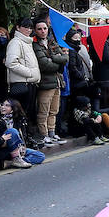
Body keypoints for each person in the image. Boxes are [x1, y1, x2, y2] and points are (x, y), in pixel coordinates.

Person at [31, 18, 69, 146]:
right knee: (43, 110)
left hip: (57, 81)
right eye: (40, 29)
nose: (42, 31)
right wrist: (58, 62)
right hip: (45, 82)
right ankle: (44, 134)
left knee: (54, 110)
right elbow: (44, 64)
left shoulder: (52, 41)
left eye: (45, 28)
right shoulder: (35, 44)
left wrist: (53, 58)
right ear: (35, 31)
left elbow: (65, 58)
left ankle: (52, 133)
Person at [3, 18, 39, 127]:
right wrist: (29, 73)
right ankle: (21, 137)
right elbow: (11, 63)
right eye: (25, 26)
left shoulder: (27, 42)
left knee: (26, 113)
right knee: (19, 113)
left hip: (29, 83)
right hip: (21, 84)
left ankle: (25, 136)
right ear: (18, 27)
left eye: (30, 27)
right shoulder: (16, 42)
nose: (28, 29)